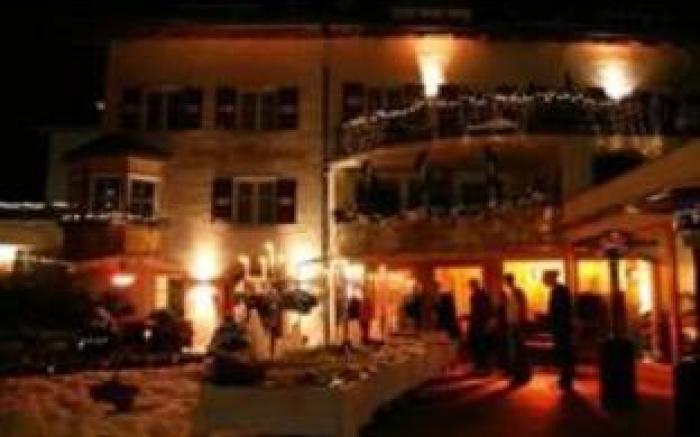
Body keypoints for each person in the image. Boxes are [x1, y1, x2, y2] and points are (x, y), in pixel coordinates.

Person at [543, 270, 575, 391]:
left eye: (545, 279)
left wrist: (554, 321)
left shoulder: (559, 291)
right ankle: (565, 377)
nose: (544, 281)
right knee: (564, 352)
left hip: (562, 327)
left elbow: (560, 310)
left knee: (564, 352)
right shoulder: (559, 290)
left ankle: (566, 378)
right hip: (561, 327)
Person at [503, 274, 531, 385]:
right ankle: (518, 373)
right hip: (513, 324)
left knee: (518, 350)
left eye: (506, 281)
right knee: (516, 350)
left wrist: (519, 321)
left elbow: (521, 307)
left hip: (516, 324)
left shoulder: (517, 292)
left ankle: (521, 374)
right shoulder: (511, 293)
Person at [468, 279, 493, 373]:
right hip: (478, 324)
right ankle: (481, 365)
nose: (471, 288)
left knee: (481, 346)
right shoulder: (480, 296)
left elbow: (482, 311)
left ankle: (483, 365)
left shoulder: (480, 296)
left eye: (471, 286)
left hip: (479, 324)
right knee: (479, 345)